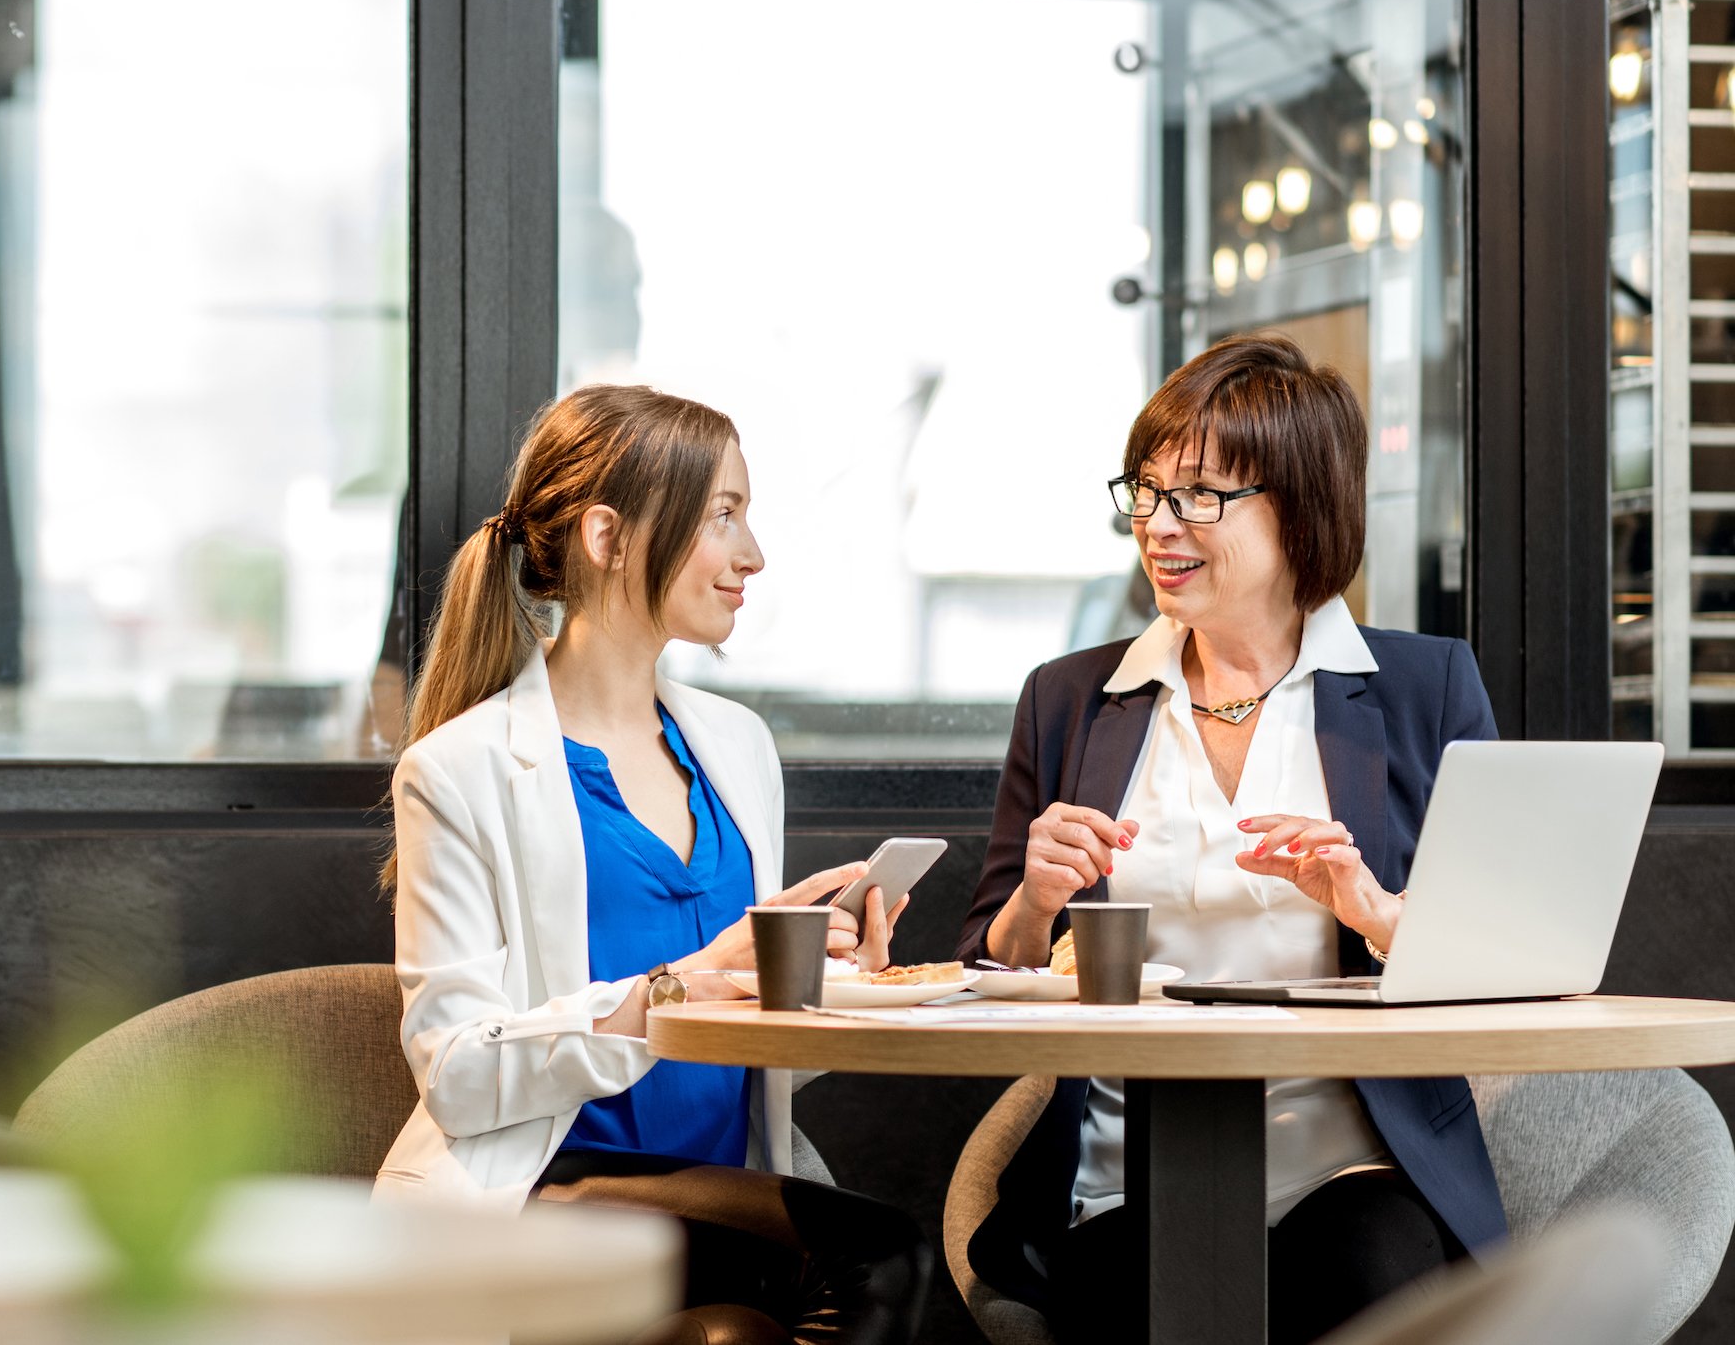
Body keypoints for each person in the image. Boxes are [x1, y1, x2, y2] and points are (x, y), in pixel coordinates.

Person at [954, 334, 1505, 1345]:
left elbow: (1504, 960)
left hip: (1353, 1167)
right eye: (1146, 494)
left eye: (1198, 495)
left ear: (1298, 506)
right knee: (1157, 1291)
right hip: (1123, 1177)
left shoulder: (1427, 690)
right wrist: (1032, 904)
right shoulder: (1073, 699)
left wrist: (1374, 912)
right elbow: (986, 962)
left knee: (1371, 1276)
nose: (1159, 528)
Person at [375, 385, 932, 1345]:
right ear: (608, 536)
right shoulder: (458, 771)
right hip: (552, 1192)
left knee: (838, 1280)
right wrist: (683, 982)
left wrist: (829, 986)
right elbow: (459, 1072)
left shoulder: (737, 745)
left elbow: (754, 1046)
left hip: (720, 1192)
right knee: (835, 1279)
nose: (752, 554)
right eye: (724, 516)